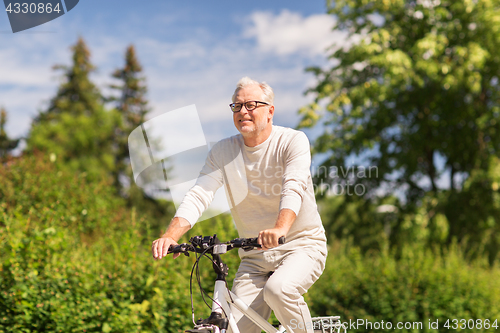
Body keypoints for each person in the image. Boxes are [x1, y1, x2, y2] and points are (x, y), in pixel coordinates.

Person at [151, 77, 327, 333]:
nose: (243, 111)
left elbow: (294, 186)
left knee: (278, 290)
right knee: (238, 328)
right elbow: (200, 193)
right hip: (254, 256)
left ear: (270, 112)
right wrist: (170, 235)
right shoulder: (223, 152)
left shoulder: (292, 141)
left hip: (301, 246)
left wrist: (280, 229)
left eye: (251, 105)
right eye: (237, 106)